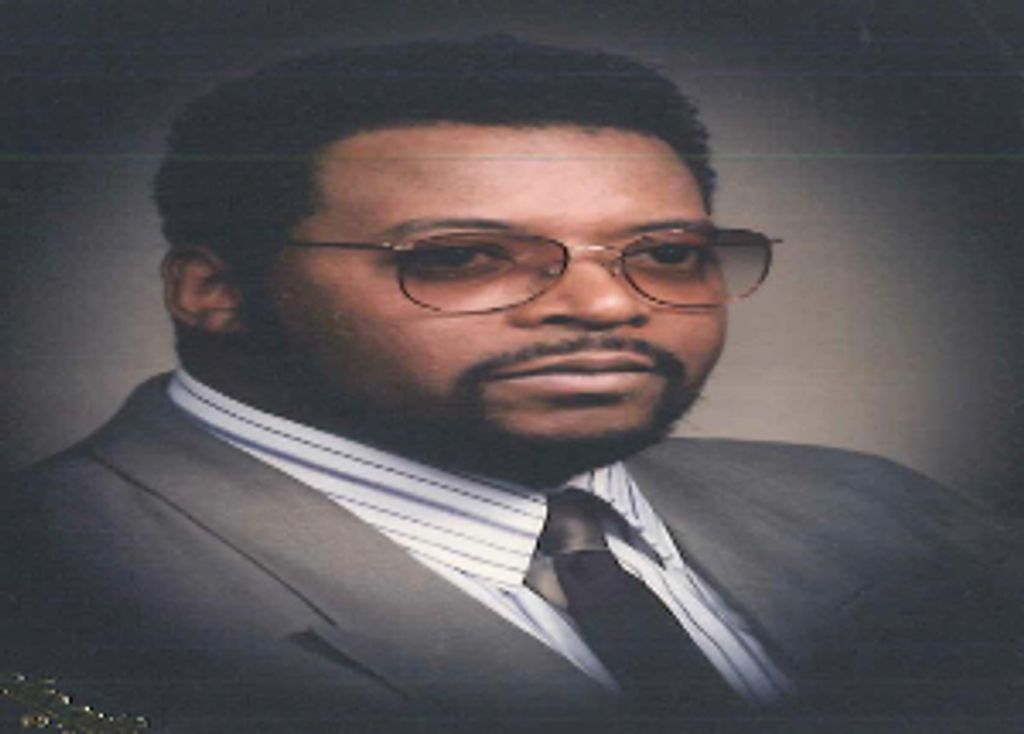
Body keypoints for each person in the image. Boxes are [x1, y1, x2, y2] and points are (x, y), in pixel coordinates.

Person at [2, 36, 1020, 734]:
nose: (609, 305)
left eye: (667, 252)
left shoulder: (884, 513)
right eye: (460, 256)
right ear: (214, 291)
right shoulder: (49, 595)